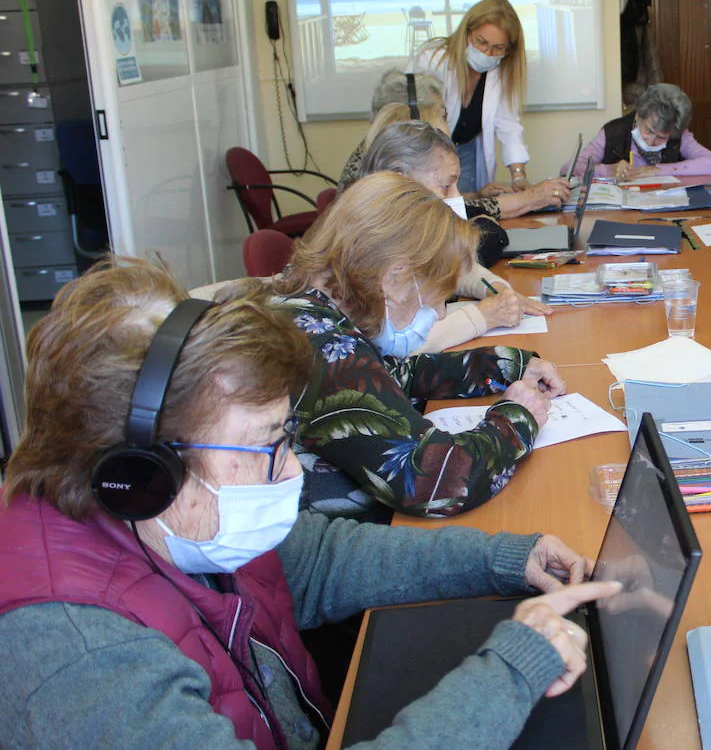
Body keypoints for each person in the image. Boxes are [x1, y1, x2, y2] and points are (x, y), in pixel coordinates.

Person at [0, 256, 619, 747]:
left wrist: (507, 559)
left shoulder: (175, 519)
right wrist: (512, 670)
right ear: (147, 470)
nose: (290, 469)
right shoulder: (80, 655)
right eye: (269, 443)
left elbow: (320, 561)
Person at [273, 171, 569, 520]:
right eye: (438, 296)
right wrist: (518, 418)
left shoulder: (313, 308)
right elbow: (436, 483)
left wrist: (507, 366)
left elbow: (393, 375)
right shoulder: (323, 347)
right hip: (333, 547)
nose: (441, 313)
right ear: (394, 277)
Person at [353, 119, 551, 342]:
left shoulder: (411, 230)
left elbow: (456, 269)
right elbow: (399, 343)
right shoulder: (374, 246)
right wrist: (483, 317)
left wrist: (496, 288)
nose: (456, 198)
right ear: (400, 180)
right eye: (446, 186)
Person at [342, 68, 569, 218]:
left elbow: (434, 201)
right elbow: (443, 213)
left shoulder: (377, 147)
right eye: (441, 114)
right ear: (416, 117)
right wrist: (529, 198)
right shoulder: (386, 161)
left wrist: (478, 196)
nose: (446, 122)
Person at [414, 0, 532, 193]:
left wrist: (519, 176)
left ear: (509, 50)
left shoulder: (501, 72)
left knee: (468, 210)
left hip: (467, 151)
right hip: (427, 154)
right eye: (481, 42)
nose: (487, 52)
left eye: (498, 48)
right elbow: (418, 121)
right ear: (467, 33)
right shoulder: (433, 60)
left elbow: (508, 125)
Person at [567, 83, 711, 180]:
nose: (651, 141)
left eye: (661, 137)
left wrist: (658, 170)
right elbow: (569, 169)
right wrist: (609, 169)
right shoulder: (614, 132)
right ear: (639, 115)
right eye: (648, 130)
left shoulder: (678, 134)